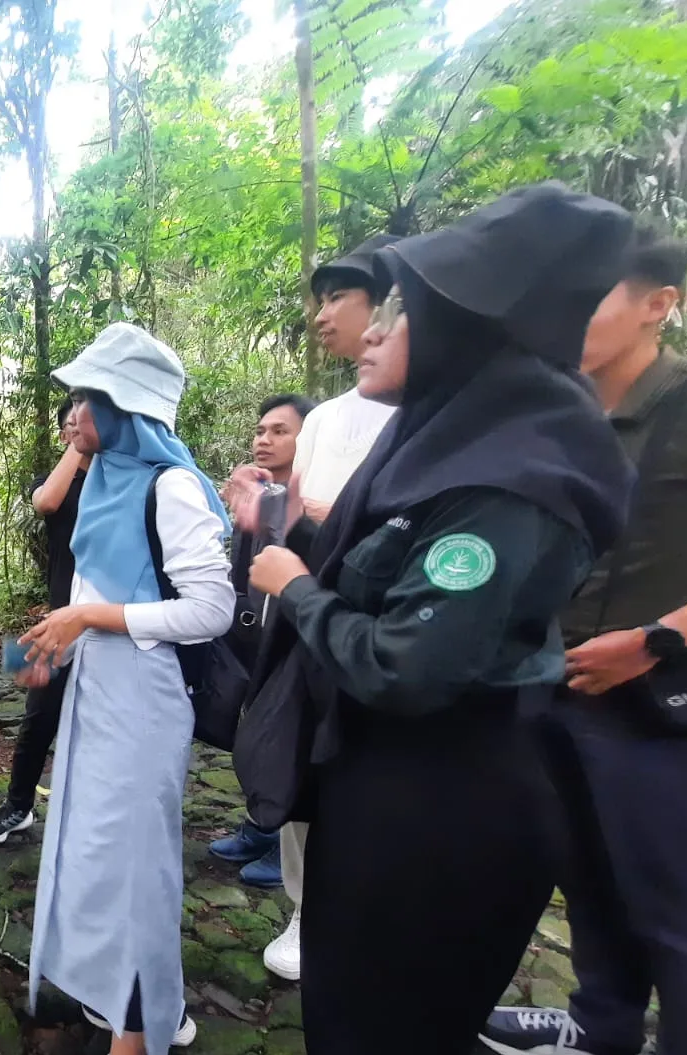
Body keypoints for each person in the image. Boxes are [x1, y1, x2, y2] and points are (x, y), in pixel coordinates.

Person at [235, 183, 634, 1055]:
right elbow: (390, 567)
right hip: (383, 781)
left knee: (406, 1039)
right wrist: (295, 539)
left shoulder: (513, 478)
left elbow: (410, 664)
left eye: (409, 309)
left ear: (466, 329)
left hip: (452, 795)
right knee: (343, 984)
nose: (382, 328)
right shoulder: (446, 439)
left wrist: (293, 586)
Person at [479, 225, 687, 1055]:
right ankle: (605, 1032)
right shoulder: (563, 416)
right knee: (590, 871)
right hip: (559, 690)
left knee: (676, 902)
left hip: (662, 700)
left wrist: (660, 640)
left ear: (659, 303)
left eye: (595, 297)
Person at [19, 323, 235, 1055]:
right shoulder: (107, 478)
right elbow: (94, 589)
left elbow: (209, 609)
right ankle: (144, 1001)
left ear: (123, 408)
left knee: (135, 867)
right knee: (97, 854)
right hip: (100, 692)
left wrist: (89, 618)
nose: (74, 411)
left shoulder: (169, 487)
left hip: (145, 701)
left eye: (86, 398)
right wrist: (60, 641)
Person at [230, 233, 400, 983]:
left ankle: (367, 916)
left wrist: (322, 525)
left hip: (377, 631)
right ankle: (304, 909)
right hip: (301, 618)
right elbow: (296, 522)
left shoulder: (427, 417)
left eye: (340, 297)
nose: (323, 316)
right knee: (300, 754)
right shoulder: (329, 418)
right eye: (321, 299)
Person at [209, 392, 313, 889]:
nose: (264, 440)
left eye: (280, 431)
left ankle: (282, 836)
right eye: (260, 430)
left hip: (300, 637)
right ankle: (259, 826)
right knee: (254, 733)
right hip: (255, 634)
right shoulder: (260, 492)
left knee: (287, 738)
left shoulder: (321, 497)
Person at [0, 399, 87, 844]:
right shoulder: (54, 479)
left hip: (111, 620)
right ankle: (18, 806)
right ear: (62, 435)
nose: (79, 428)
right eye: (70, 424)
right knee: (37, 717)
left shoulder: (120, 477)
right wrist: (78, 442)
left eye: (88, 419)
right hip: (59, 617)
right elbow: (46, 503)